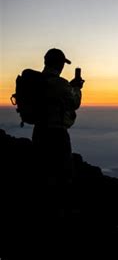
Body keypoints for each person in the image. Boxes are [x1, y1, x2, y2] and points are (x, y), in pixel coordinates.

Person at [32, 48, 84, 185]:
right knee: (63, 174)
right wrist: (77, 88)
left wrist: (70, 86)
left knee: (42, 171)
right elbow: (74, 102)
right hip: (57, 134)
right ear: (59, 65)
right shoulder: (60, 84)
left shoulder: (37, 81)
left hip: (38, 131)